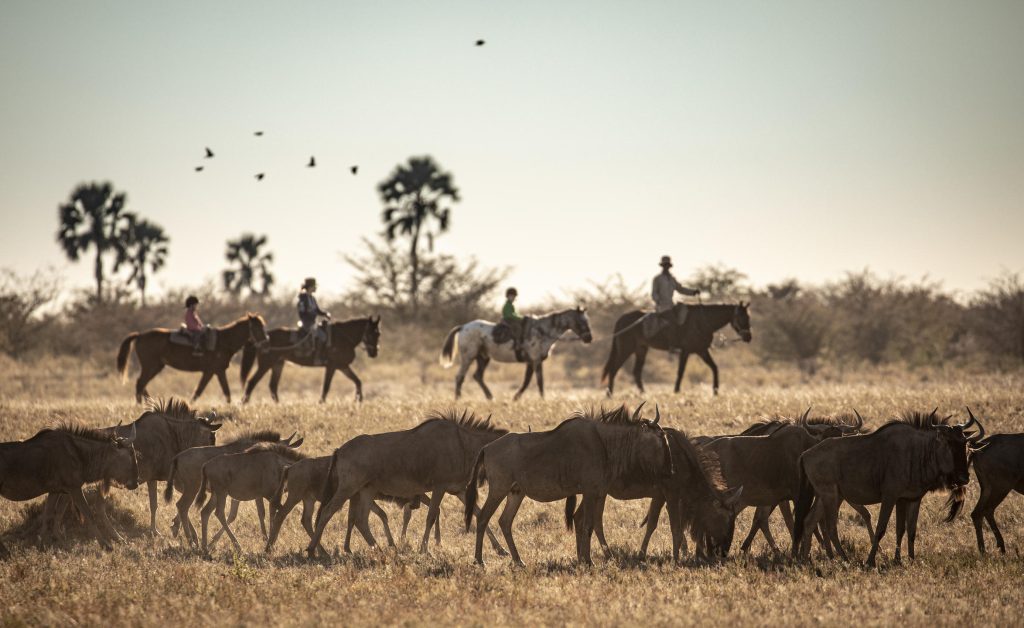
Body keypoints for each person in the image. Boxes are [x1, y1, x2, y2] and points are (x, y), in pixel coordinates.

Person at [650, 256, 699, 341]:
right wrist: (658, 301)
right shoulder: (657, 279)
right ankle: (672, 344)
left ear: (669, 266)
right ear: (662, 266)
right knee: (673, 322)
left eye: (667, 265)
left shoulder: (672, 279)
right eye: (665, 265)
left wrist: (693, 292)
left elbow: (680, 289)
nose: (666, 267)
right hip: (662, 308)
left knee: (686, 316)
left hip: (671, 306)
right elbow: (654, 294)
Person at [297, 277, 330, 361]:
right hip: (307, 323)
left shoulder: (313, 298)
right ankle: (317, 357)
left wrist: (325, 314)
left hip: (313, 323)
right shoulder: (303, 299)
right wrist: (310, 316)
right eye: (314, 286)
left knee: (325, 333)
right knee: (322, 336)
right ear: (310, 287)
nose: (315, 288)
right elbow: (301, 313)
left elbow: (317, 310)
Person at [501, 287, 527, 357]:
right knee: (518, 327)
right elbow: (510, 315)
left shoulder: (511, 305)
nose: (512, 298)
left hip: (511, 319)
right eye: (511, 296)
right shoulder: (507, 305)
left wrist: (521, 317)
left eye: (513, 296)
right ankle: (517, 343)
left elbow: (514, 314)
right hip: (508, 320)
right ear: (507, 296)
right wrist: (520, 319)